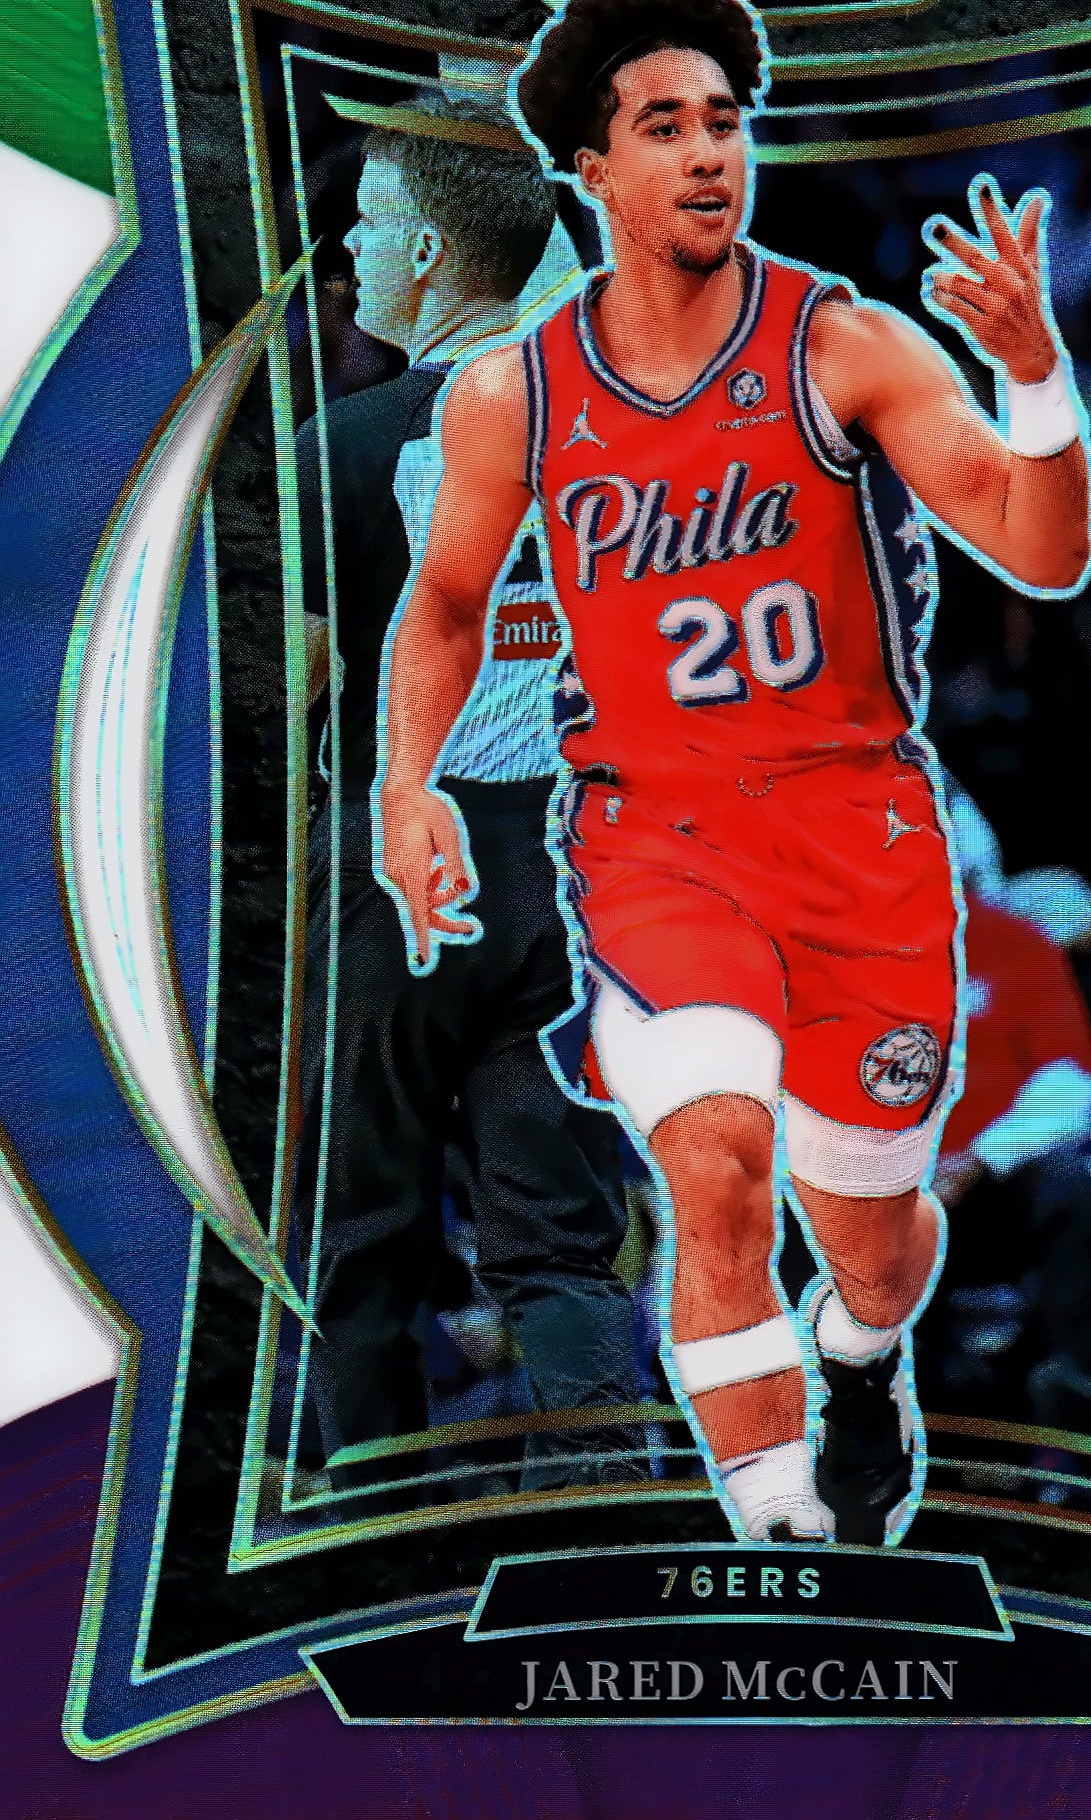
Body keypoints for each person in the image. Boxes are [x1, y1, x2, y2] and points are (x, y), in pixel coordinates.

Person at [376, 0, 1091, 1544]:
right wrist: (406, 782)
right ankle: (781, 1517)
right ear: (592, 168)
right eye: (666, 126)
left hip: (860, 838)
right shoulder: (514, 395)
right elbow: (446, 605)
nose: (709, 152)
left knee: (877, 1252)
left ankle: (859, 1359)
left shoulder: (847, 348)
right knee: (713, 1165)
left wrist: (1036, 377)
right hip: (655, 837)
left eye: (725, 121)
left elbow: (1041, 549)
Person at [295, 84, 642, 1493]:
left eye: (372, 224)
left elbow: (287, 692)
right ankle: (607, 1517)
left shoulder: (353, 444)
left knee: (360, 1241)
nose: (348, 252)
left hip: (399, 864)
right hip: (577, 862)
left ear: (433, 253)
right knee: (560, 1245)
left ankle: (374, 1540)